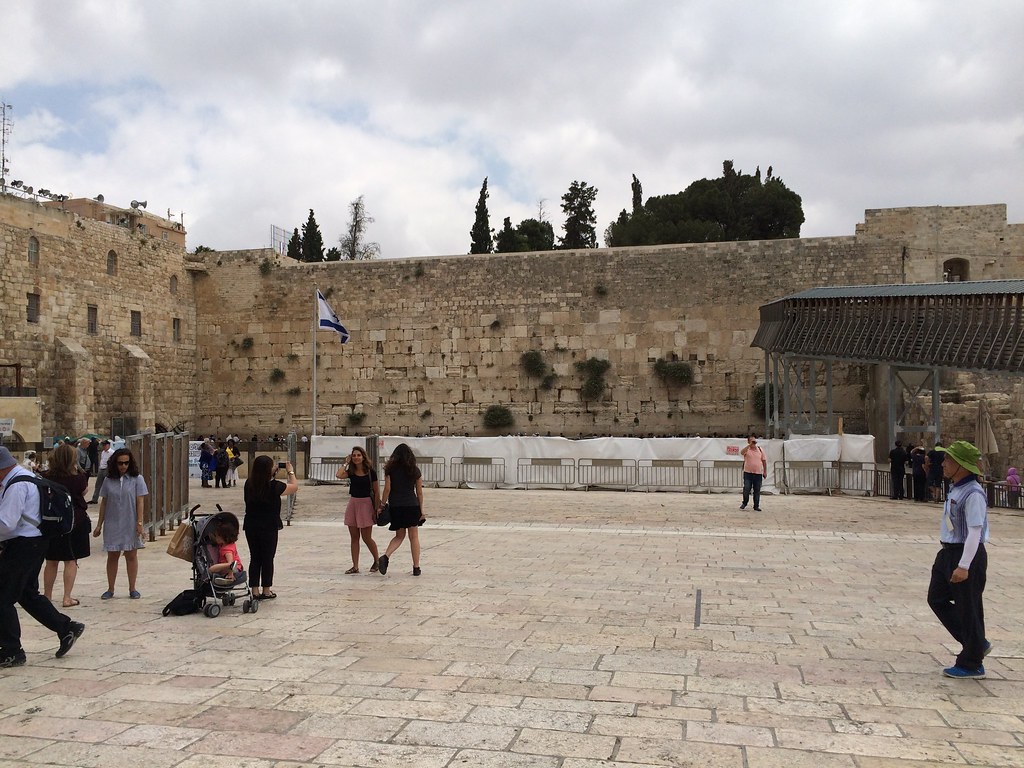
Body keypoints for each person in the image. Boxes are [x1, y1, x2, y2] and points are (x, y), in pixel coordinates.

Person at [0, 446, 85, 668]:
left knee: (3, 596)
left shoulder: (17, 485)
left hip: (23, 545)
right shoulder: (27, 477)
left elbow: (6, 524)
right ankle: (66, 628)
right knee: (26, 593)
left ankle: (12, 651)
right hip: (36, 542)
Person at [927, 440, 992, 679]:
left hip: (966, 554)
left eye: (948, 460)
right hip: (948, 551)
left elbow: (975, 531)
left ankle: (971, 662)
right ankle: (976, 640)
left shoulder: (973, 493)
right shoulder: (956, 487)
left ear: (962, 465)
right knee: (936, 598)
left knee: (968, 608)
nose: (943, 464)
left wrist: (964, 565)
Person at [92, 448, 148, 600]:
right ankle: (110, 588)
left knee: (131, 555)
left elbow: (140, 501)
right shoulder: (108, 480)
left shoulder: (137, 479)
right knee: (113, 555)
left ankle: (132, 588)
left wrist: (139, 522)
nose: (123, 466)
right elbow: (104, 502)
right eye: (120, 463)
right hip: (113, 522)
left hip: (130, 521)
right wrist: (99, 524)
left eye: (126, 463)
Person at [41, 444, 91, 608]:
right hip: (75, 521)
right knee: (70, 560)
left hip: (53, 522)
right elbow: (84, 492)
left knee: (51, 561)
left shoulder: (47, 476)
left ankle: (47, 596)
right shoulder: (77, 478)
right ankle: (66, 597)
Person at [243, 456, 298, 599]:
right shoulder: (275, 486)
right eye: (273, 465)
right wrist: (290, 472)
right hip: (268, 526)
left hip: (251, 525)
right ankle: (266, 590)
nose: (275, 467)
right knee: (267, 558)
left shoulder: (249, 484)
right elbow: (294, 487)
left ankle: (255, 590)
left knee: (255, 557)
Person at [377, 443, 425, 576]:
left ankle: (386, 556)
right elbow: (419, 492)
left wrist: (382, 505)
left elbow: (387, 489)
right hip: (411, 505)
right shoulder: (415, 470)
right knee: (414, 537)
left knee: (399, 536)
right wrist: (422, 510)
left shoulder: (390, 470)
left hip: (396, 506)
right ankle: (416, 567)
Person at [335, 446, 380, 574]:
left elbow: (377, 492)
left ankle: (377, 560)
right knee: (354, 537)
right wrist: (346, 463)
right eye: (354, 455)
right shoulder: (351, 471)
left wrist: (377, 508)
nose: (356, 457)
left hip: (366, 504)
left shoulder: (371, 472)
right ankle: (355, 566)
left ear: (363, 456)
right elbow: (338, 475)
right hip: (354, 503)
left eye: (358, 455)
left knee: (367, 537)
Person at [208, 514, 246, 585]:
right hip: (237, 567)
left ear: (223, 537)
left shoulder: (226, 550)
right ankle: (226, 577)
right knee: (224, 567)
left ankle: (228, 578)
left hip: (232, 569)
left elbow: (230, 562)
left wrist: (230, 573)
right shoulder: (229, 544)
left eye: (217, 536)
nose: (216, 538)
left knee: (211, 569)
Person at [739, 435, 767, 511]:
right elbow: (741, 452)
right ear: (748, 442)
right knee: (747, 488)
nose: (754, 442)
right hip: (748, 473)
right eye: (751, 441)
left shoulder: (760, 449)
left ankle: (756, 506)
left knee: (757, 490)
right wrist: (749, 445)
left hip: (758, 473)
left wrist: (765, 471)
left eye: (754, 440)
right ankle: (744, 502)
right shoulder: (747, 450)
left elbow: (764, 461)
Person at [90, 439, 113, 504]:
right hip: (101, 468)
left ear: (108, 445)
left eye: (104, 445)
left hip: (107, 469)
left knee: (108, 485)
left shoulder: (112, 452)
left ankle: (109, 499)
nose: (103, 446)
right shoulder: (103, 452)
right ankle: (94, 499)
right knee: (98, 484)